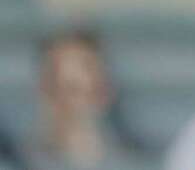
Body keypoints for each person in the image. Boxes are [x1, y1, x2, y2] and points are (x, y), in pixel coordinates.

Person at [21, 27, 143, 169]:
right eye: (72, 89)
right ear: (45, 91)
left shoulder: (134, 158)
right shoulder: (23, 159)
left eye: (91, 90)